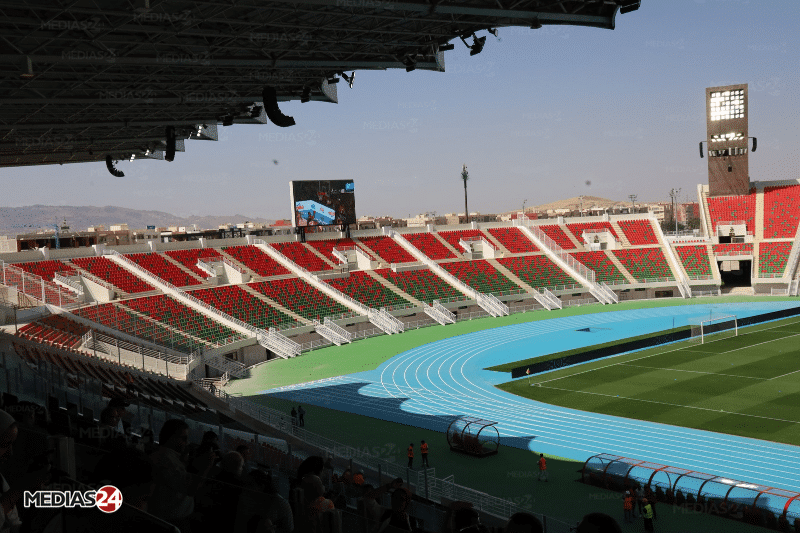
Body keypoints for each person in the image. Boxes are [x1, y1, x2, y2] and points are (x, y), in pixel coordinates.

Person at [148, 419, 215, 533]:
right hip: (174, 520)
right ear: (171, 438)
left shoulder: (162, 455)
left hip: (169, 517)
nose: (187, 442)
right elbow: (191, 489)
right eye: (183, 438)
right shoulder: (167, 460)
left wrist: (183, 459)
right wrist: (207, 465)